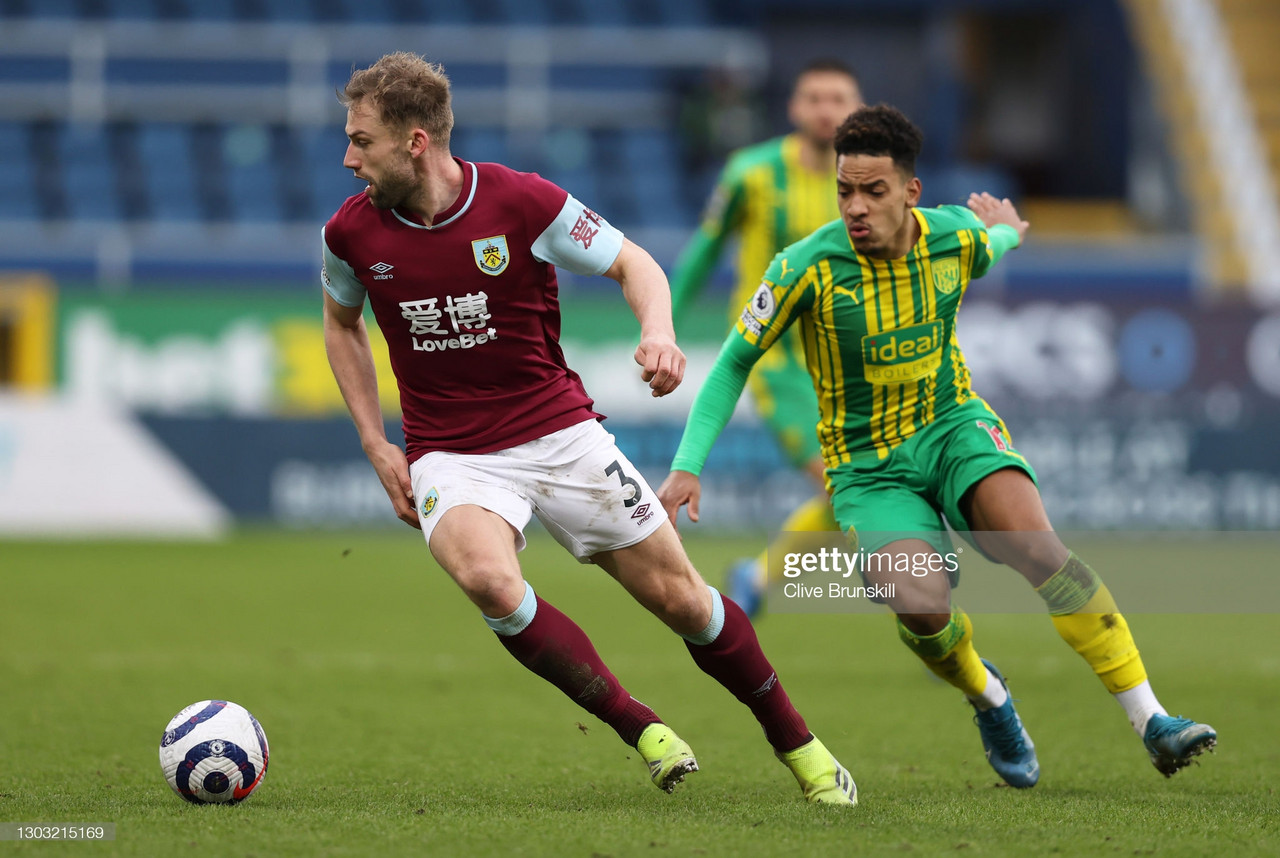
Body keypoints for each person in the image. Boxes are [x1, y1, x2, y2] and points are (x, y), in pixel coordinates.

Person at [319, 52, 857, 805]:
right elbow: (341, 326)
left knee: (684, 603)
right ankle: (642, 728)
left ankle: (799, 744)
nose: (348, 158)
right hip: (451, 451)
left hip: (560, 434)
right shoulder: (350, 234)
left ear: (415, 141)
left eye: (362, 141)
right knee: (488, 581)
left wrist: (659, 330)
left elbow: (635, 263)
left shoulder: (521, 202)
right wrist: (377, 442)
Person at [658, 104, 1216, 788]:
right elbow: (733, 364)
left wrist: (1008, 232)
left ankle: (1153, 720)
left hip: (953, 427)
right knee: (922, 607)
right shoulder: (804, 267)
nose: (855, 207)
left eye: (873, 191)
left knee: (1039, 547)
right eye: (844, 191)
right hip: (869, 470)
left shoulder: (950, 237)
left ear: (911, 193)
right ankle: (989, 695)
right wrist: (687, 466)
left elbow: (991, 244)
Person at [669, 59, 863, 617]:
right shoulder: (750, 173)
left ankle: (756, 576)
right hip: (778, 360)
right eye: (814, 98)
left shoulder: (869, 182)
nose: (826, 109)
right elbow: (707, 248)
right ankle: (921, 605)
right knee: (841, 485)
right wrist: (664, 321)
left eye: (838, 97)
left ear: (857, 108)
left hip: (848, 362)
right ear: (794, 108)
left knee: (860, 485)